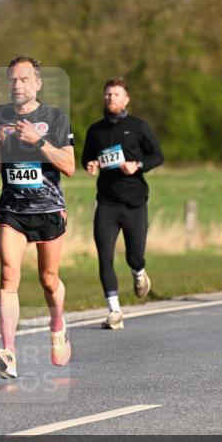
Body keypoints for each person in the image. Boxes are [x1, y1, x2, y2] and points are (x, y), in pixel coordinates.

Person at [0, 55, 76, 378]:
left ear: (37, 83)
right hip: (13, 209)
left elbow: (69, 166)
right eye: (12, 80)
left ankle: (58, 325)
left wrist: (39, 142)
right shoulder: (0, 114)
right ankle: (9, 353)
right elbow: (0, 146)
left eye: (23, 80)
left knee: (48, 280)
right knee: (9, 276)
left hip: (48, 210)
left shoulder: (55, 117)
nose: (16, 85)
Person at [81, 77, 164, 329]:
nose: (111, 98)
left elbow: (157, 156)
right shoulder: (95, 130)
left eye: (116, 94)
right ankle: (114, 311)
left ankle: (139, 272)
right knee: (104, 256)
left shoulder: (138, 127)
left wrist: (137, 165)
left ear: (126, 99)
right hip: (106, 203)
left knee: (134, 255)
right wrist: (91, 164)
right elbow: (87, 158)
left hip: (134, 202)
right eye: (107, 94)